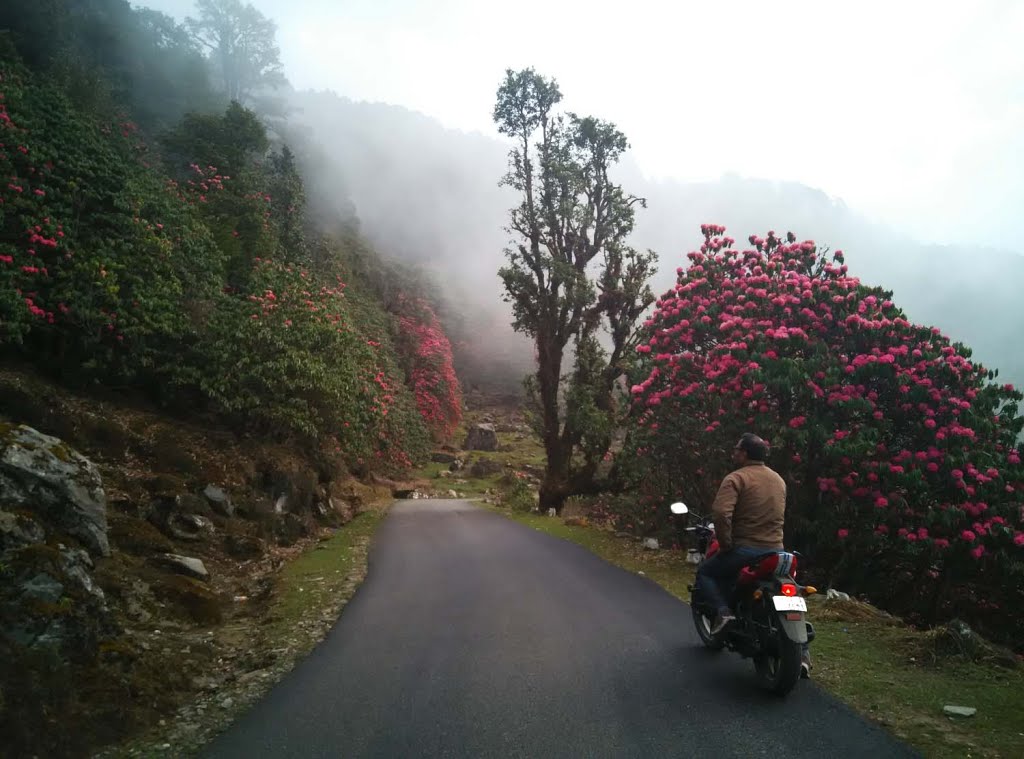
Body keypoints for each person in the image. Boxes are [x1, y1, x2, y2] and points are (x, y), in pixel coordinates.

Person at [695, 432, 812, 676]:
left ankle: (724, 613)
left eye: (737, 449)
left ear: (745, 453)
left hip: (746, 548)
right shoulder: (778, 479)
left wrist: (726, 544)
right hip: (776, 549)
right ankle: (802, 654)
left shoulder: (737, 478)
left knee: (706, 572)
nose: (734, 452)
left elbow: (721, 514)